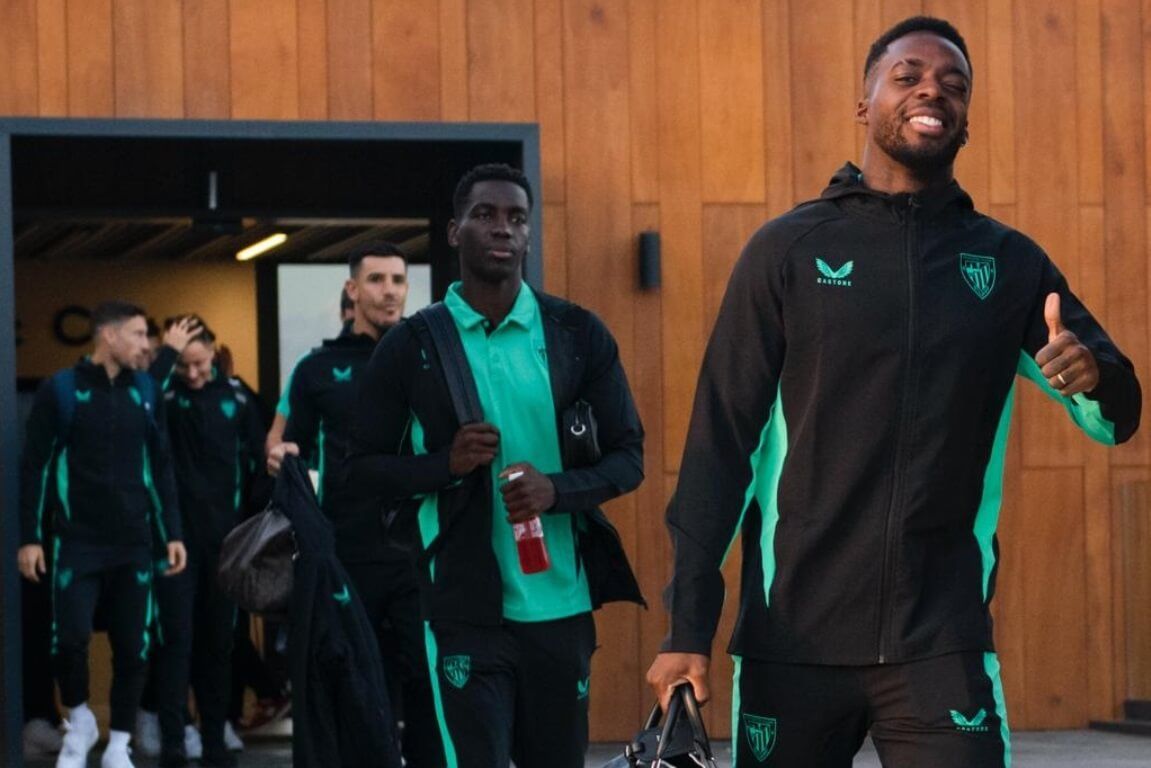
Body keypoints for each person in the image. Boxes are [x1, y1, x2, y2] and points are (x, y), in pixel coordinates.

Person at [645, 16, 1143, 768]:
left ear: (965, 119)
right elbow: (719, 447)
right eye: (906, 74)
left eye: (952, 82)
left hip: (938, 637)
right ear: (864, 102)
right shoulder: (786, 250)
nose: (930, 89)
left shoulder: (1007, 264)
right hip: (793, 637)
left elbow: (1119, 418)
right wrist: (687, 628)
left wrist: (1092, 377)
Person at [348, 163, 646, 768]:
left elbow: (629, 458)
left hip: (561, 605)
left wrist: (555, 490)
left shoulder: (577, 333)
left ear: (529, 235)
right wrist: (445, 465)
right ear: (455, 231)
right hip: (463, 608)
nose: (502, 228)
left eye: (516, 217)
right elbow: (359, 469)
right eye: (485, 215)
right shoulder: (414, 345)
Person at [266, 242, 439, 764]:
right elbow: (281, 446)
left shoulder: (428, 358)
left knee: (429, 681)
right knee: (360, 684)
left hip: (418, 551)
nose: (389, 291)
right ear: (352, 289)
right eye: (376, 280)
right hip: (346, 555)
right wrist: (281, 458)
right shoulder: (317, 368)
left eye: (397, 280)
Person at [18, 300, 188, 768]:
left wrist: (172, 531)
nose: (145, 344)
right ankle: (79, 721)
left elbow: (162, 466)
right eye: (137, 335)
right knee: (69, 640)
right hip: (76, 541)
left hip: (135, 543)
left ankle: (118, 745)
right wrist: (29, 537)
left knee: (134, 645)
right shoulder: (62, 390)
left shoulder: (147, 391)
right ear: (108, 336)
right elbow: (35, 466)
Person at [139, 317, 266, 768]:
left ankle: (216, 737)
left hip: (226, 546)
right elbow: (136, 404)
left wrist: (256, 536)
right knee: (176, 644)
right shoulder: (165, 397)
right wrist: (165, 358)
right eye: (184, 366)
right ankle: (174, 742)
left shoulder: (236, 398)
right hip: (175, 546)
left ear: (214, 353)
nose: (193, 374)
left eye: (200, 364)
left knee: (219, 646)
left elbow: (261, 467)